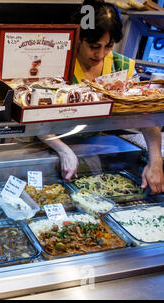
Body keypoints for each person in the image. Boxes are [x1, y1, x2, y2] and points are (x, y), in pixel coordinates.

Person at [38, 0, 163, 194]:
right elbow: (37, 117)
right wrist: (63, 149)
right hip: (48, 149)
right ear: (79, 36)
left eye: (109, 46)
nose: (101, 54)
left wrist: (156, 161)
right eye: (94, 46)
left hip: (91, 151)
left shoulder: (121, 67)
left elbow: (148, 117)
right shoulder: (58, 63)